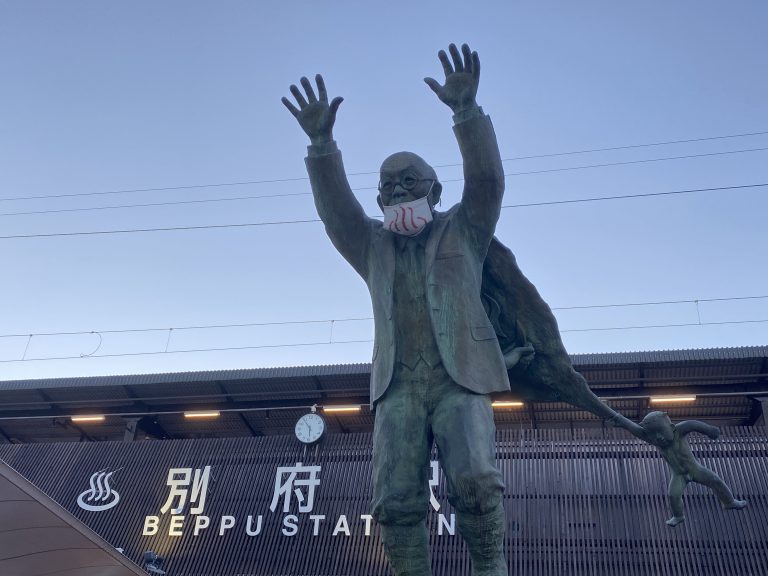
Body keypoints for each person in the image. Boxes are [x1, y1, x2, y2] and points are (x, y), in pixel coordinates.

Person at [283, 43, 510, 576]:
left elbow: (488, 182)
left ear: (435, 190)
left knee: (477, 483)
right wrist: (321, 145)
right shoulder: (371, 246)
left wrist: (466, 113)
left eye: (410, 180)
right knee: (396, 497)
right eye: (388, 185)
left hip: (459, 380)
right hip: (398, 387)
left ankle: (491, 567)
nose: (398, 190)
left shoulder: (465, 229)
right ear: (380, 200)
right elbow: (337, 213)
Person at [619, 411, 747, 526]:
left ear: (671, 427)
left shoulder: (679, 431)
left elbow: (692, 424)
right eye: (653, 435)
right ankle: (678, 516)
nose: (659, 437)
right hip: (678, 475)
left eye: (661, 431)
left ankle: (729, 502)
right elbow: (629, 425)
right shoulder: (653, 440)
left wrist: (709, 430)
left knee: (715, 480)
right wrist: (614, 416)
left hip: (695, 470)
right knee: (673, 495)